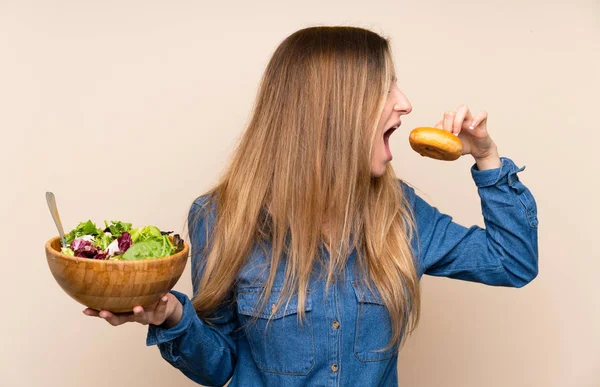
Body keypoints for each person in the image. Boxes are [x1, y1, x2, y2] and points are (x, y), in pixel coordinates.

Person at [83, 26, 539, 386]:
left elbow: (513, 261)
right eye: (386, 88)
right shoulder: (221, 217)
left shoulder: (400, 214)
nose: (405, 103)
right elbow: (219, 366)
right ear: (333, 110)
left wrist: (486, 155)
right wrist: (172, 317)